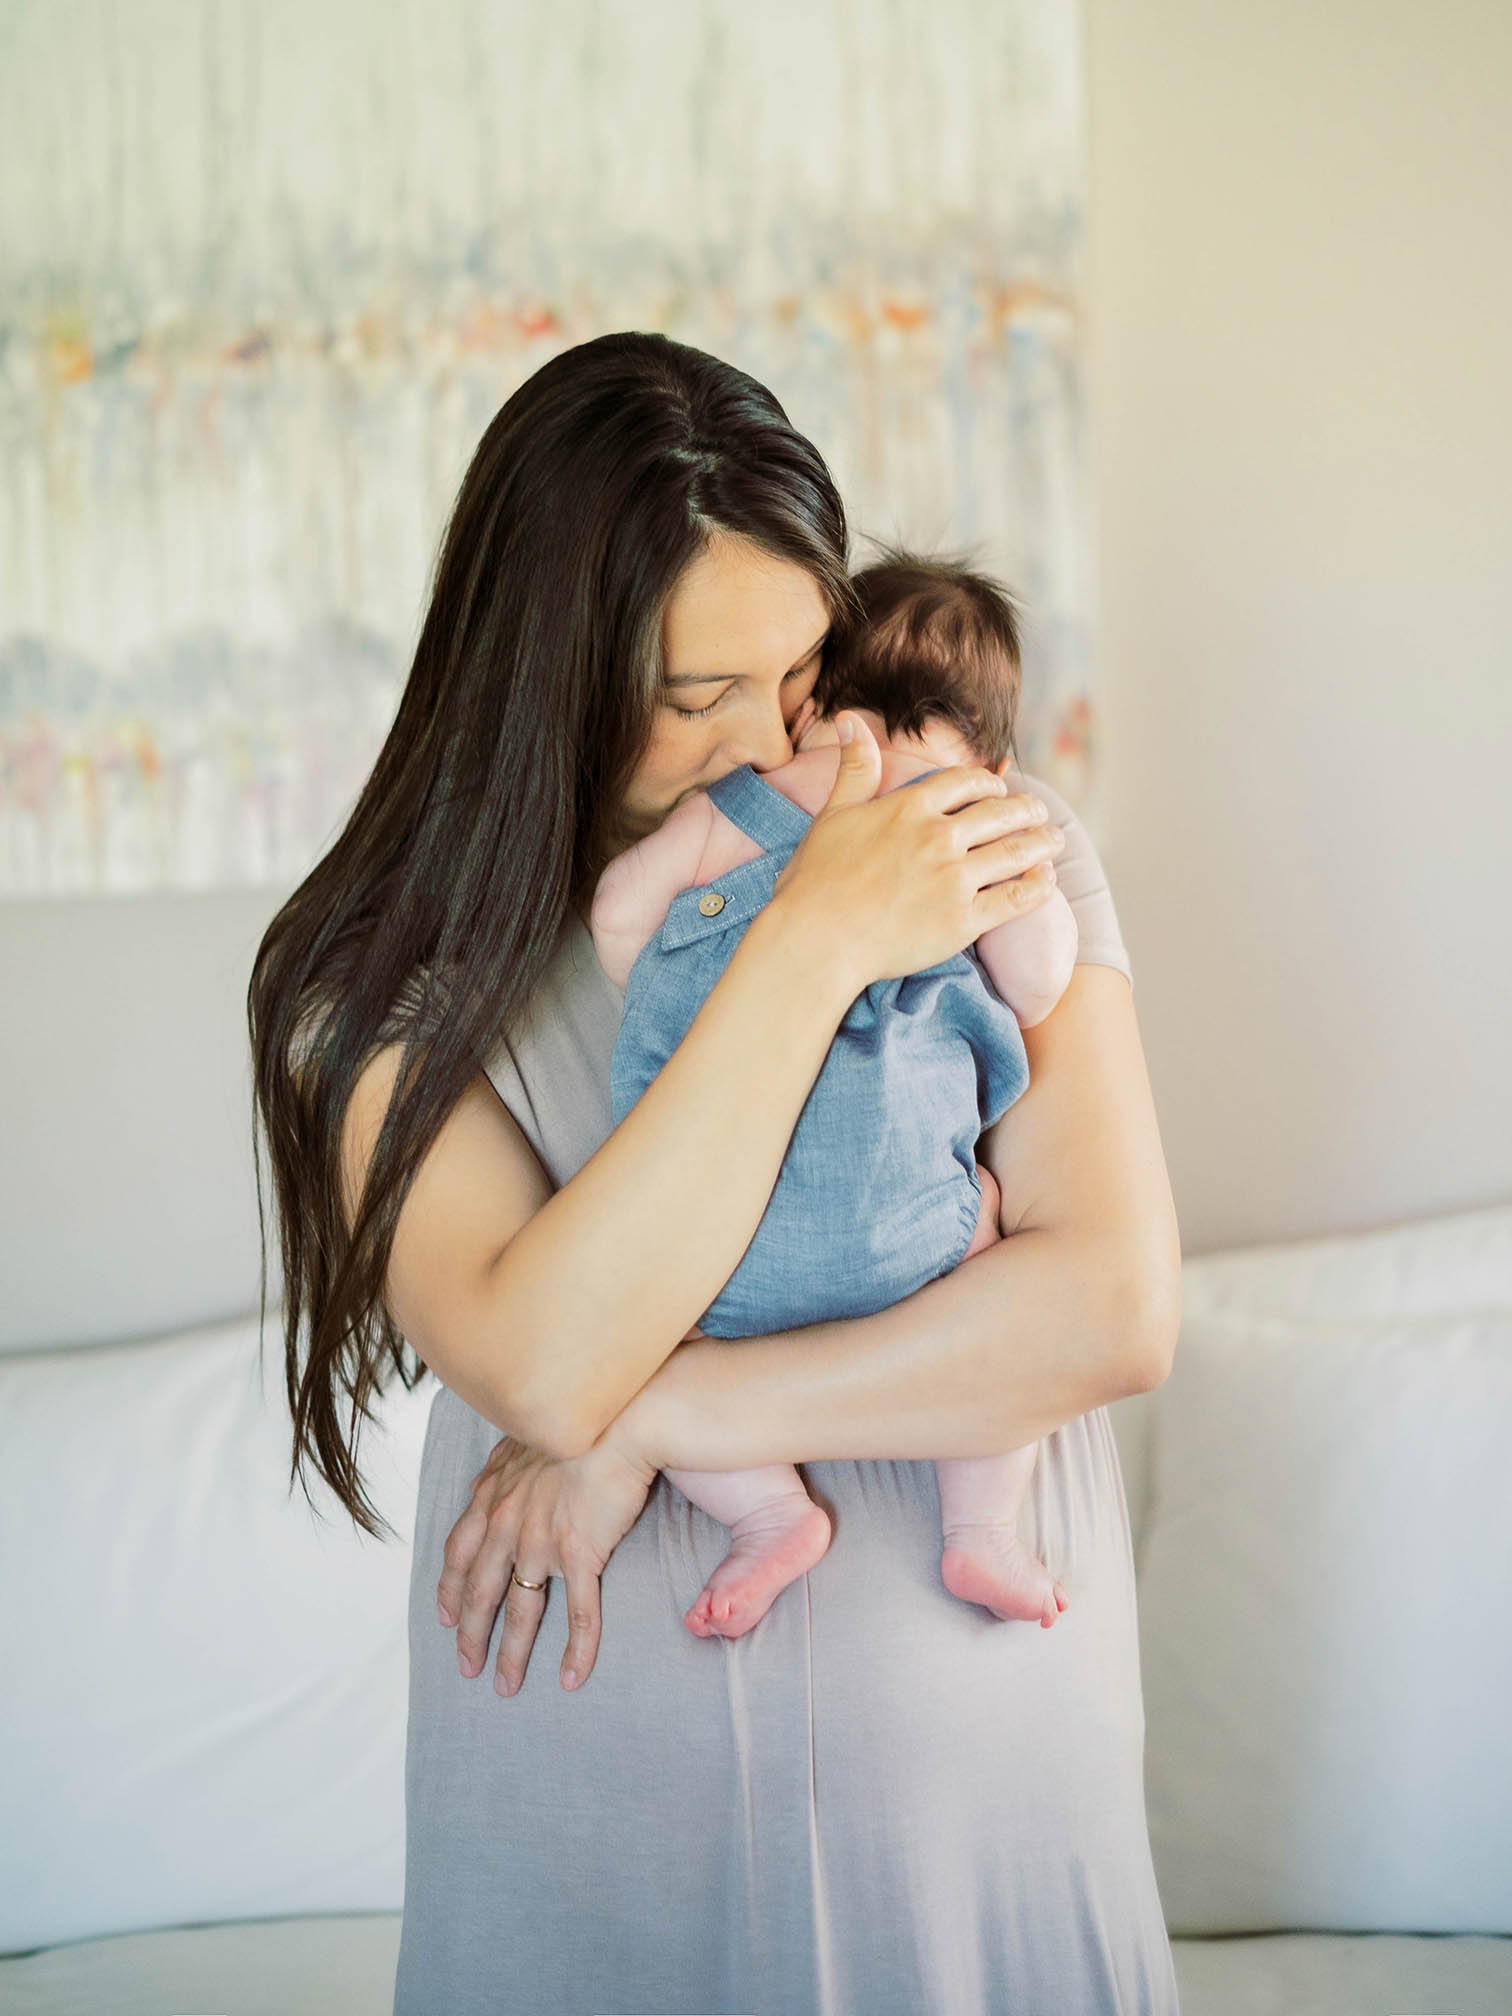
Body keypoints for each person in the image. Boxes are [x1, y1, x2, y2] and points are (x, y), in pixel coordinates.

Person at [247, 330, 1183, 2015]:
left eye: (799, 667)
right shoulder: (380, 994)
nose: (775, 738)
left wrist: (658, 1424)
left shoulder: (977, 829)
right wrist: (813, 938)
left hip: (982, 1842)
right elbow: (543, 1355)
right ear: (547, 674)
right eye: (697, 698)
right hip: (586, 1861)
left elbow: (1107, 1310)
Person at [590, 552, 1082, 1643]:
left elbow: (623, 909)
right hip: (919, 1241)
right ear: (994, 749)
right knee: (994, 1254)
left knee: (638, 1352)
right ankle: (982, 1533)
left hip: (724, 1253)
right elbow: (1042, 979)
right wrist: (1028, 863)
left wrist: (672, 986)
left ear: (817, 696)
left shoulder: (749, 798)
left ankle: (770, 1515)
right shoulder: (972, 820)